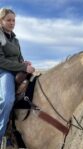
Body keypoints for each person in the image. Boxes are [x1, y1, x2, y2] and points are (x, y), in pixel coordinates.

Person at [0, 8, 35, 143]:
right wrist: (23, 67)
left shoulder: (15, 40)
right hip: (3, 71)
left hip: (16, 70)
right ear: (1, 21)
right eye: (8, 20)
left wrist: (24, 62)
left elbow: (20, 58)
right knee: (8, 100)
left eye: (13, 20)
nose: (12, 23)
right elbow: (1, 61)